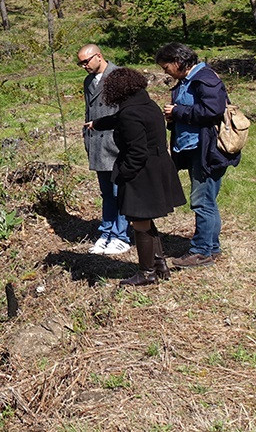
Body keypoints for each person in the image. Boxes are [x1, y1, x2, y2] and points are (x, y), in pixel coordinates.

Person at [89, 67, 186, 286]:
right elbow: (120, 119)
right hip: (157, 166)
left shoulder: (130, 113)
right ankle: (160, 265)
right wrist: (98, 123)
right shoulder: (146, 104)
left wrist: (124, 174)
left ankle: (146, 273)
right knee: (145, 218)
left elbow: (137, 151)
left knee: (139, 221)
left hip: (142, 172)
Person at [156, 43, 241, 268]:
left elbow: (212, 110)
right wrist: (175, 118)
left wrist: (178, 111)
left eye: (166, 67)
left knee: (202, 201)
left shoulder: (205, 78)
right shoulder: (187, 81)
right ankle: (211, 248)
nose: (165, 72)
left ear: (178, 62)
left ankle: (201, 252)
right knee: (206, 200)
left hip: (208, 150)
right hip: (195, 149)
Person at [77, 44, 131, 255]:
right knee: (107, 193)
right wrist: (87, 140)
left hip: (116, 144)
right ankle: (106, 232)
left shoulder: (119, 77)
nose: (84, 66)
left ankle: (122, 235)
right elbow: (88, 112)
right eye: (80, 63)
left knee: (120, 192)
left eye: (86, 61)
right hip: (98, 144)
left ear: (98, 56)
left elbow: (128, 112)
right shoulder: (89, 81)